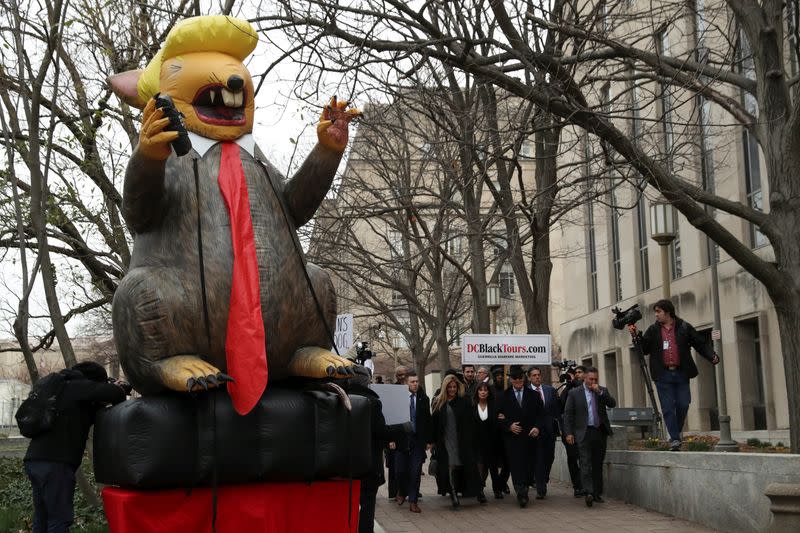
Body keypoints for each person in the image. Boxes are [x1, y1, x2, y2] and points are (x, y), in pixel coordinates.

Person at [24, 361, 129, 533]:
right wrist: (117, 387)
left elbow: (85, 413)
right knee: (59, 519)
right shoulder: (77, 386)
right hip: (56, 464)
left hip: (34, 460)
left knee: (42, 517)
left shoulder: (60, 389)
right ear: (93, 381)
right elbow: (114, 394)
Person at [630, 299, 719, 451]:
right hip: (662, 374)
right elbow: (644, 349)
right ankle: (675, 439)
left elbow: (700, 343)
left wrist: (711, 355)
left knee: (683, 403)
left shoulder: (684, 327)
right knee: (668, 407)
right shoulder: (653, 330)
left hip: (681, 373)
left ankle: (675, 431)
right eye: (655, 312)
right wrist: (636, 336)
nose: (656, 315)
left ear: (668, 312)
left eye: (658, 312)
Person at [563, 366, 616, 507]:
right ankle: (588, 492)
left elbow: (612, 403)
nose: (593, 381)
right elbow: (568, 414)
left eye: (595, 379)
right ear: (584, 378)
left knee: (597, 463)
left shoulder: (601, 390)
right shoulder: (575, 393)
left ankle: (597, 493)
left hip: (599, 431)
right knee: (585, 462)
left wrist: (600, 392)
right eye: (590, 379)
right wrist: (568, 433)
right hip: (583, 432)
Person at [431, 374, 481, 508]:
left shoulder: (463, 401)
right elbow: (434, 423)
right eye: (449, 387)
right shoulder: (438, 402)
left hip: (461, 439)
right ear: (445, 388)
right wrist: (432, 442)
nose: (452, 389)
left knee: (463, 465)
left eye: (454, 387)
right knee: (450, 465)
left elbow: (471, 421)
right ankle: (453, 494)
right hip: (445, 439)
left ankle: (474, 490)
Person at [497, 366, 543, 508]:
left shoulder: (534, 395)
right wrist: (509, 425)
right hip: (513, 438)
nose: (517, 381)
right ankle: (521, 492)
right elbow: (497, 416)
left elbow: (541, 415)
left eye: (520, 378)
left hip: (530, 436)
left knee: (529, 465)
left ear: (523, 378)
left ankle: (525, 486)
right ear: (510, 379)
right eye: (514, 378)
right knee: (516, 465)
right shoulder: (503, 396)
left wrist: (537, 427)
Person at [394, 371, 432, 513]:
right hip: (402, 439)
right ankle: (401, 491)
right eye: (412, 382)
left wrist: (429, 440)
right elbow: (392, 420)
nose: (415, 384)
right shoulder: (399, 398)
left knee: (415, 471)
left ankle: (413, 501)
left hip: (417, 440)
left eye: (417, 381)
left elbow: (428, 420)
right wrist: (391, 439)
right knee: (400, 471)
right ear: (406, 383)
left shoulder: (423, 399)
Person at [528, 367, 559, 500]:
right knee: (539, 459)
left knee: (549, 457)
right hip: (534, 432)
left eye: (539, 375)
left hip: (549, 431)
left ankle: (543, 478)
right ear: (529, 377)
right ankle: (541, 489)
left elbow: (556, 410)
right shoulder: (526, 392)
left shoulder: (550, 390)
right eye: (534, 375)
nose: (537, 377)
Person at [472, 382, 503, 503]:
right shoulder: (472, 406)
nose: (483, 392)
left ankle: (497, 490)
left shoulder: (494, 407)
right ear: (477, 392)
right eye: (481, 390)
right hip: (477, 442)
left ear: (489, 392)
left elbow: (498, 423)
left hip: (492, 442)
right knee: (480, 466)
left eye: (485, 390)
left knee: (493, 468)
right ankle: (480, 491)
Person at [559, 366, 585, 497]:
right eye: (576, 373)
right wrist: (569, 385)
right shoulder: (569, 388)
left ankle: (586, 484)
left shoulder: (590, 388)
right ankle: (577, 486)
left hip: (585, 430)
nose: (577, 375)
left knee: (585, 459)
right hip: (569, 430)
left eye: (580, 372)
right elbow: (561, 405)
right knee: (573, 457)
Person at [386, 365, 409, 500]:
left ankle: (409, 489)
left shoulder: (413, 387)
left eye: (403, 374)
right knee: (395, 465)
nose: (401, 377)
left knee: (409, 464)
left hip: (409, 432)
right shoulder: (392, 390)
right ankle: (395, 491)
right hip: (395, 432)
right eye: (399, 375)